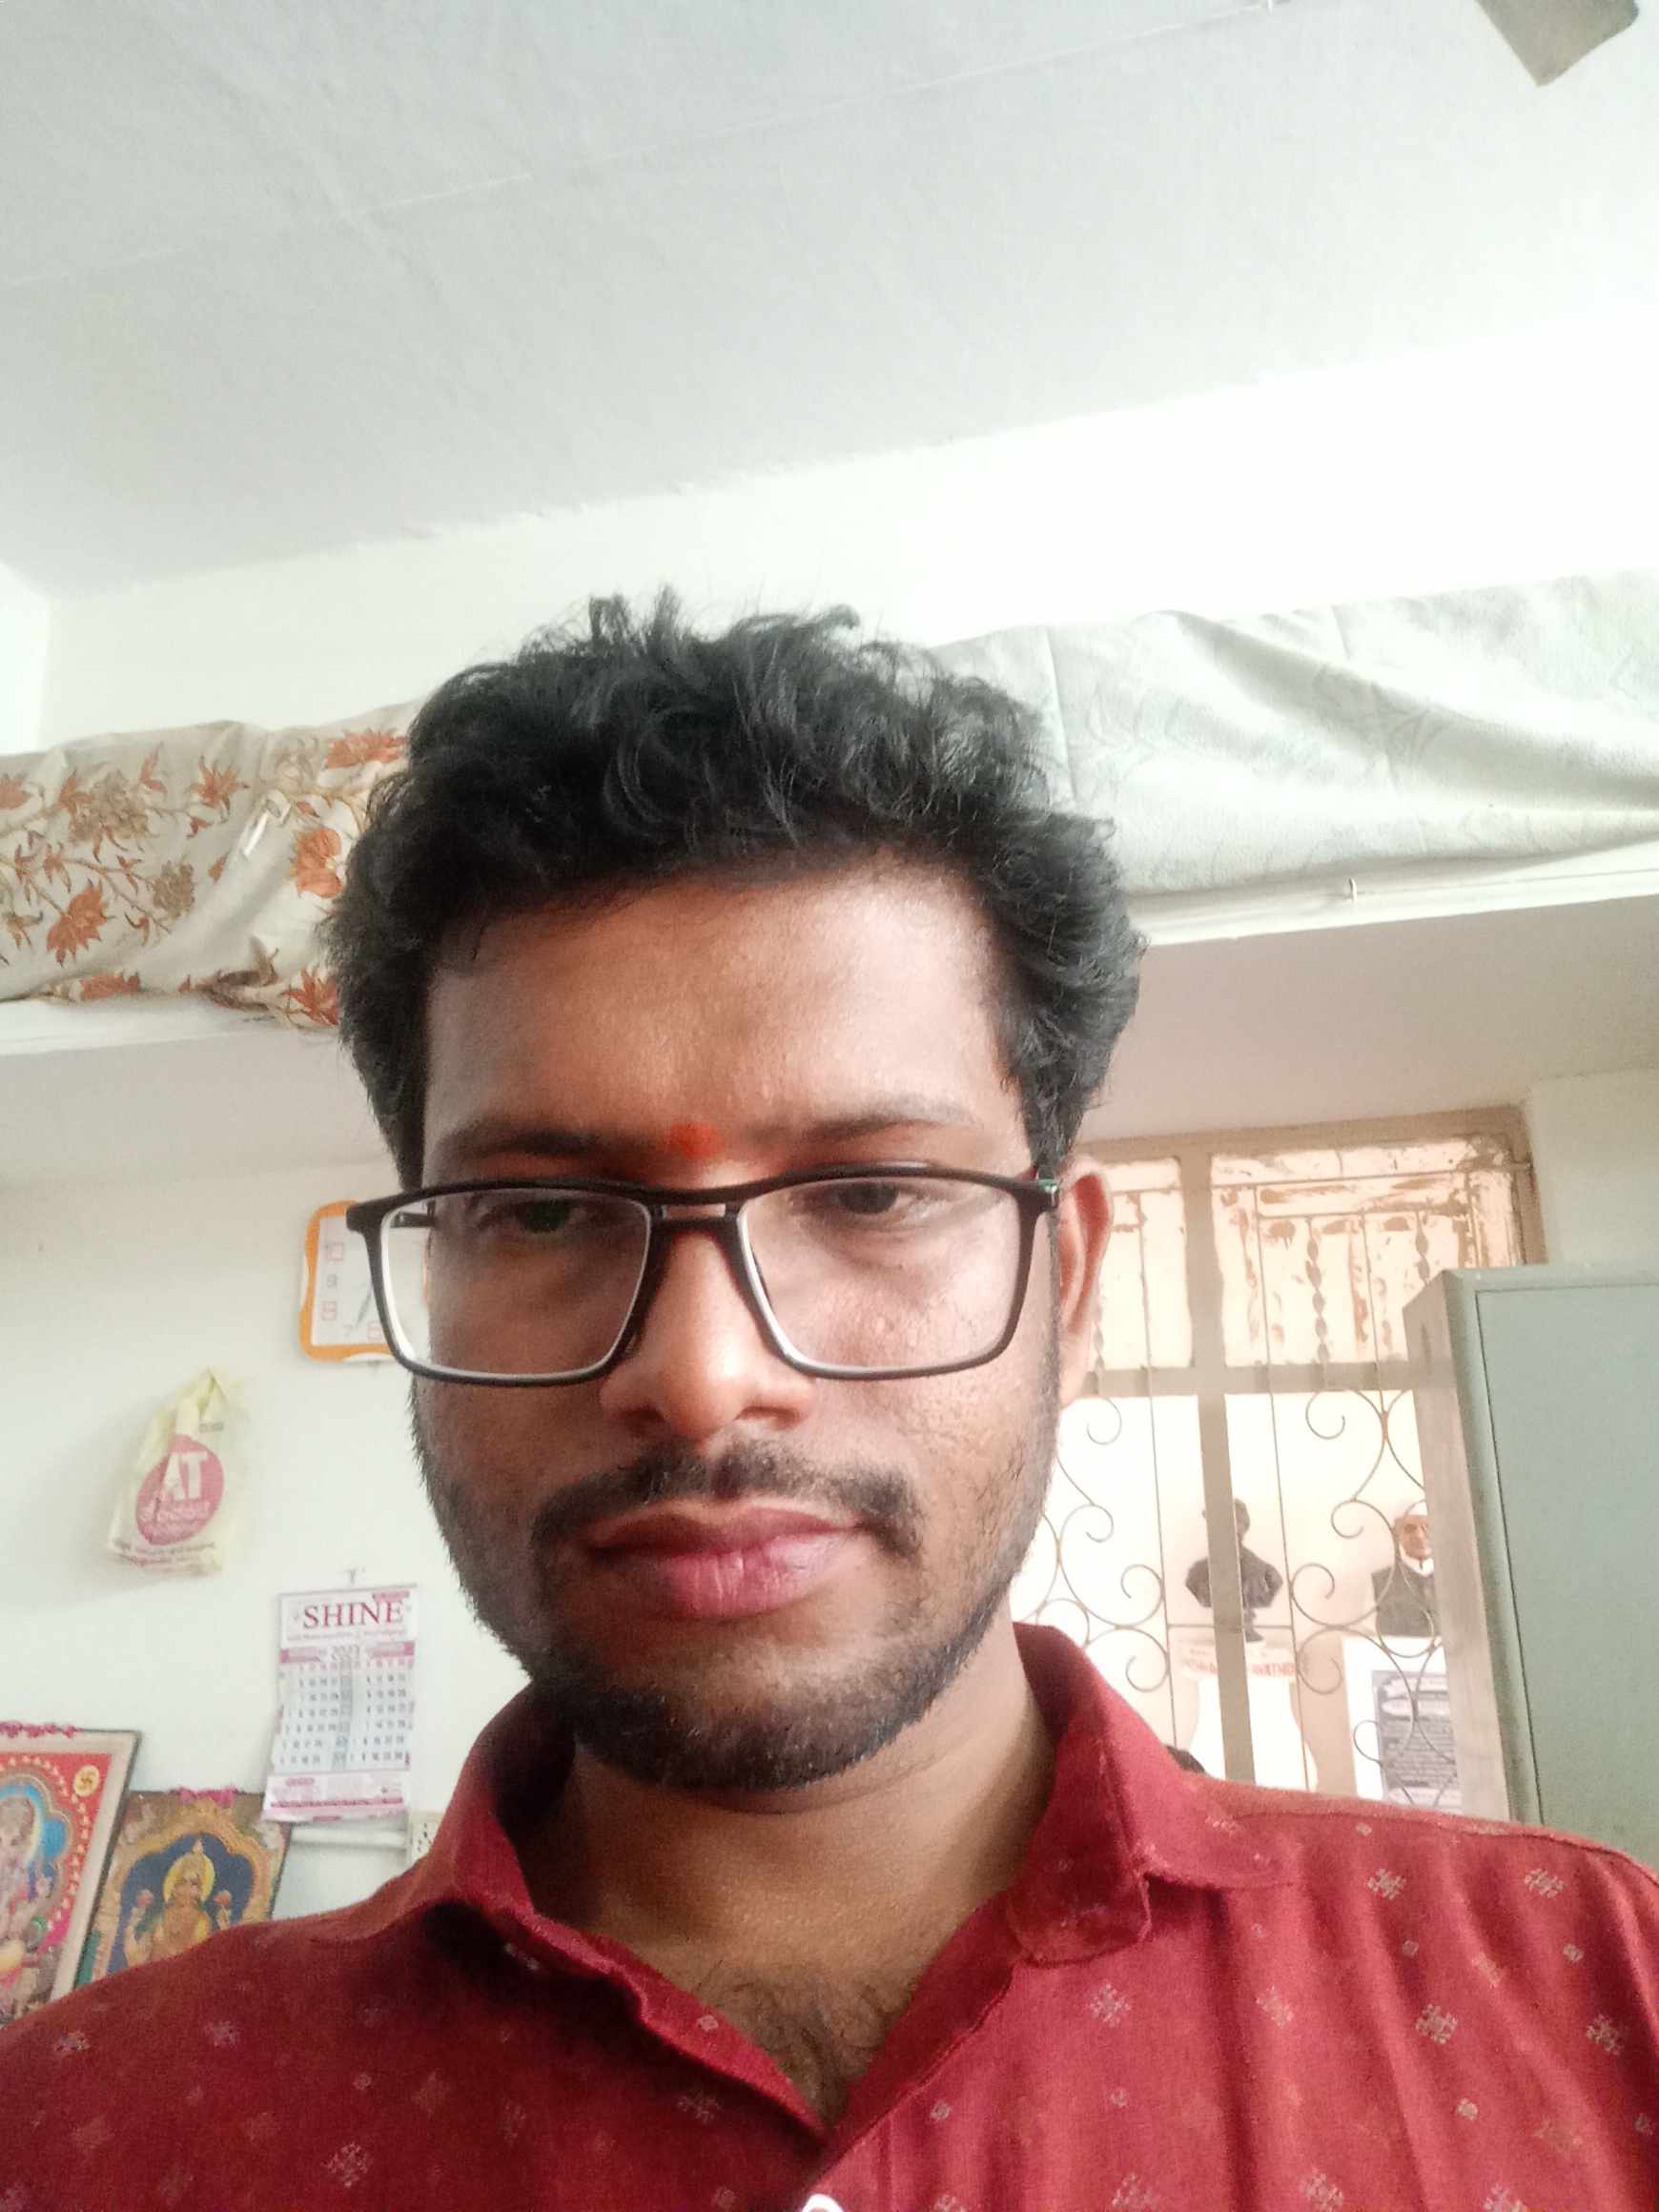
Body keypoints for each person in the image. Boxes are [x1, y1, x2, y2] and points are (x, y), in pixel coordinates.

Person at [3, 597, 1656, 2208]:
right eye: (547, 1213)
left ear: (1071, 1289)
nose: (703, 1375)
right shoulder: (84, 2135)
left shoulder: (1599, 2002)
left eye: (870, 1193)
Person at [1183, 1497, 1284, 1642]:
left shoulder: (1264, 1572)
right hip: (1221, 1637)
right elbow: (1192, 1585)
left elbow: (1275, 1584)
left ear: (1240, 1528)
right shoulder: (1198, 1571)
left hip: (1248, 1641)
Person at [1372, 1504, 1440, 1645]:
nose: (1419, 1536)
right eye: (1409, 1528)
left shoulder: (1459, 1578)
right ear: (1396, 1534)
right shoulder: (1378, 1583)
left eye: (1427, 1527)